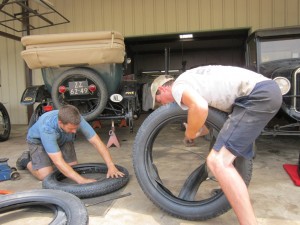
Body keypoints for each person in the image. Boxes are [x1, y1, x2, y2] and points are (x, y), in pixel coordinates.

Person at [150, 65, 282, 225]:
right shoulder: (192, 81)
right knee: (224, 155)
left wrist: (189, 133)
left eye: (159, 101)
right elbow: (205, 118)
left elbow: (199, 107)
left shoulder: (178, 87)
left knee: (217, 162)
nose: (163, 105)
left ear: (163, 89)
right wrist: (199, 131)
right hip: (262, 92)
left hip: (257, 96)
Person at [16, 104, 124, 184]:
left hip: (63, 138)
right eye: (71, 128)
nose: (75, 132)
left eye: (76, 128)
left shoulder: (76, 120)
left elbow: (97, 142)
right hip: (38, 141)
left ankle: (47, 158)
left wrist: (111, 165)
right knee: (46, 175)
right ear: (60, 123)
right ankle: (26, 160)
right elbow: (58, 161)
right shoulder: (47, 128)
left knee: (73, 167)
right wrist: (82, 180)